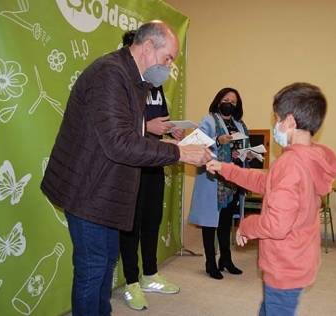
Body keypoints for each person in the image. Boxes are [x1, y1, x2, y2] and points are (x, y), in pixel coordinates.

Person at [40, 21, 211, 316]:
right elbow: (120, 143)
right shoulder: (110, 74)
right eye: (168, 58)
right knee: (92, 271)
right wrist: (179, 153)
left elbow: (128, 138)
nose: (169, 67)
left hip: (107, 191)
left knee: (106, 263)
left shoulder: (133, 80)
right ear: (147, 47)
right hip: (88, 191)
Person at [205, 82, 336, 315]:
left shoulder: (291, 164)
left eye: (277, 119)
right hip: (297, 257)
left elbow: (277, 225)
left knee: (276, 308)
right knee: (269, 308)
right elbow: (265, 182)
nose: (276, 125)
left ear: (290, 121)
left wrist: (246, 225)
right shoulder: (307, 159)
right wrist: (226, 168)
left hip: (285, 264)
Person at [118, 30, 185, 311]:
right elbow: (122, 128)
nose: (165, 65)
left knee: (152, 219)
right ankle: (131, 281)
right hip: (133, 162)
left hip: (155, 159)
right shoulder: (123, 81)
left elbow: (160, 120)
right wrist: (149, 127)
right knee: (131, 224)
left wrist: (171, 131)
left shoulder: (154, 85)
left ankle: (150, 274)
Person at [188, 87, 252, 280]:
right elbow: (197, 143)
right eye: (226, 100)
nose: (229, 104)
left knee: (226, 222)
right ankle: (210, 262)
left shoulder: (240, 125)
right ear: (218, 101)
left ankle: (226, 259)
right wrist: (217, 140)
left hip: (233, 181)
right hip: (213, 179)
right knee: (210, 223)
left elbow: (244, 148)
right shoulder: (208, 120)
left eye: (233, 102)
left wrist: (248, 154)